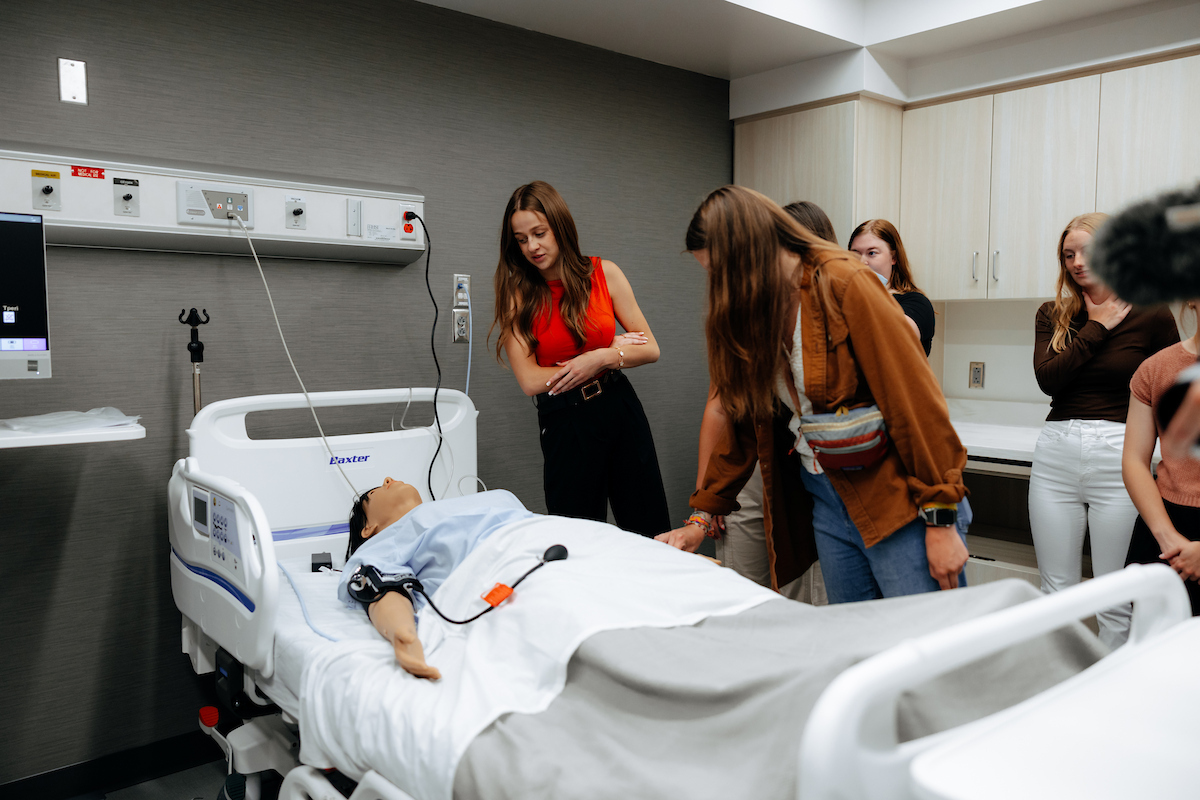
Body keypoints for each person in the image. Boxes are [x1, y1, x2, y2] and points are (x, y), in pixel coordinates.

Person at [659, 185, 970, 603]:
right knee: (859, 642)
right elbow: (747, 427)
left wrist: (941, 518)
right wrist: (702, 515)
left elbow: (914, 402)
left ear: (750, 252)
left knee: (930, 644)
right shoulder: (761, 311)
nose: (720, 288)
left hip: (898, 498)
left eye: (721, 272)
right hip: (827, 498)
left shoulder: (845, 282)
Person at [1030, 212, 1179, 648]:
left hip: (1122, 457)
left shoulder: (1150, 311)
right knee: (1054, 592)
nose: (1077, 262)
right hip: (1056, 453)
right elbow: (1049, 380)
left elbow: (1170, 391)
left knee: (1114, 597)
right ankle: (1058, 691)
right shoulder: (1053, 314)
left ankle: (1111, 699)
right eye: (1068, 255)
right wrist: (1098, 327)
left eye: (1087, 251)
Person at [490, 181, 670, 535]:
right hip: (565, 420)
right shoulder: (517, 293)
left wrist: (603, 357)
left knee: (649, 527)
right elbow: (529, 380)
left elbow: (650, 348)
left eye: (539, 233)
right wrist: (597, 356)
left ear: (560, 226)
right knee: (578, 537)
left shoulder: (605, 273)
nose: (532, 247)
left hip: (619, 406)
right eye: (522, 239)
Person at [694, 200, 837, 595]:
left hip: (842, 475)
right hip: (776, 464)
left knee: (829, 597)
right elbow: (730, 415)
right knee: (763, 586)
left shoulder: (842, 300)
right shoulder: (754, 321)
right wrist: (705, 506)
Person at [848, 219, 973, 537]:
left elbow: (899, 335)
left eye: (872, 252)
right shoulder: (846, 304)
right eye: (854, 254)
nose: (862, 262)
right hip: (858, 437)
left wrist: (868, 290)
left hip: (905, 435)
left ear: (893, 257)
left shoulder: (915, 303)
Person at [342, 477, 538, 679]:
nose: (388, 479)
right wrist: (402, 634)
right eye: (373, 493)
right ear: (368, 527)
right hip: (516, 571)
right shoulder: (383, 544)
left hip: (554, 536)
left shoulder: (499, 496)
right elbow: (383, 589)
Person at [1123, 301, 1200, 615]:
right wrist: (1167, 538)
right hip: (1166, 525)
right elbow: (1134, 460)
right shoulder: (1155, 369)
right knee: (1155, 654)